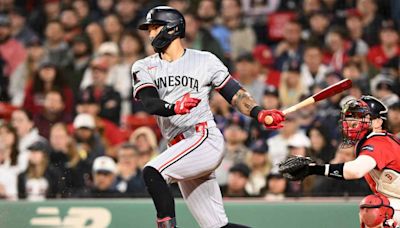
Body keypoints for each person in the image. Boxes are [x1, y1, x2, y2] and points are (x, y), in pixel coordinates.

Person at [133, 6, 284, 228]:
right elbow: (150, 102)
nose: (151, 33)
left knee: (152, 171)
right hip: (178, 147)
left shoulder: (205, 60)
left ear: (173, 29)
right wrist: (174, 106)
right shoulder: (144, 65)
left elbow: (235, 94)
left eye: (155, 27)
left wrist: (259, 112)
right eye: (149, 29)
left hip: (202, 137)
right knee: (217, 227)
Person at [279, 95, 400, 225]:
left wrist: (314, 169)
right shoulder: (374, 141)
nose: (353, 121)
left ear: (378, 122)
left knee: (375, 208)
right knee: (373, 208)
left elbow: (355, 171)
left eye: (360, 116)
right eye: (351, 116)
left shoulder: (379, 141)